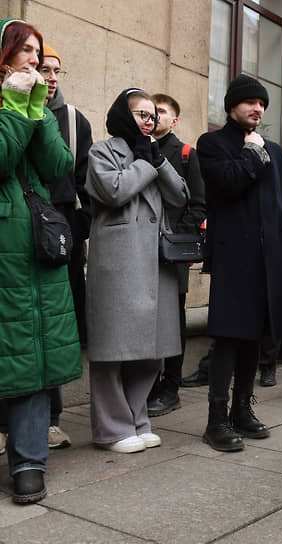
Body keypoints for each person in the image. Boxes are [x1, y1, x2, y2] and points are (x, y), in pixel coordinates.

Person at [196, 74, 282, 452]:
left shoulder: (276, 152)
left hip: (271, 259)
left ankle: (243, 409)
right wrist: (252, 153)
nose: (257, 108)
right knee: (228, 338)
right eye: (249, 102)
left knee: (255, 338)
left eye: (262, 103)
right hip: (233, 258)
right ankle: (216, 420)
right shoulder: (212, 144)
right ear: (232, 107)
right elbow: (226, 183)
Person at [0, 18, 82, 504]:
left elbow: (57, 169)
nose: (35, 59)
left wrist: (36, 112)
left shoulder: (39, 109)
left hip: (35, 251)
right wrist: (13, 106)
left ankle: (29, 460)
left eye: (37, 51)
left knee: (30, 349)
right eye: (25, 51)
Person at [85, 88, 189, 454]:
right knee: (113, 347)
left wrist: (157, 161)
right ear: (123, 117)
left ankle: (137, 419)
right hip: (118, 263)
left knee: (150, 346)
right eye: (141, 115)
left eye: (153, 115)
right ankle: (112, 428)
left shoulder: (155, 153)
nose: (149, 121)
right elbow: (114, 191)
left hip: (153, 263)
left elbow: (180, 194)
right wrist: (146, 164)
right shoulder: (102, 150)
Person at [39, 43, 93, 449]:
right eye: (43, 68)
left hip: (58, 233)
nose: (51, 76)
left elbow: (83, 183)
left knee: (55, 323)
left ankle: (52, 418)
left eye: (57, 70)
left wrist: (76, 231)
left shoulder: (74, 121)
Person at [145, 93, 206, 417]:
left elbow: (198, 204)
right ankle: (147, 384)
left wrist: (175, 238)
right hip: (141, 252)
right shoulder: (139, 148)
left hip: (171, 253)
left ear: (175, 120)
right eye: (151, 112)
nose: (155, 117)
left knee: (173, 320)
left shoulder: (185, 154)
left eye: (162, 112)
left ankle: (171, 387)